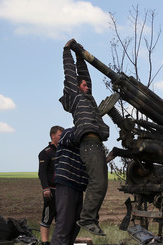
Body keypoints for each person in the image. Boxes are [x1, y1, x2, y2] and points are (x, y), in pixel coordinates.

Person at [59, 38, 109, 236]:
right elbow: (70, 73)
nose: (87, 87)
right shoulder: (75, 97)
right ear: (75, 87)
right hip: (88, 144)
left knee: (102, 185)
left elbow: (84, 75)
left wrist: (80, 54)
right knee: (98, 184)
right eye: (83, 85)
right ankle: (87, 219)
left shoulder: (87, 98)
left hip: (96, 145)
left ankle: (91, 219)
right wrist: (67, 51)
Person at [51, 127, 89, 245]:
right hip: (66, 184)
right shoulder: (68, 133)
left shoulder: (84, 145)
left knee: (74, 225)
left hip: (78, 187)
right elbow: (77, 137)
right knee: (64, 225)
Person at [38, 125, 64, 245]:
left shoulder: (63, 151)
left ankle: (58, 241)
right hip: (51, 191)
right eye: (60, 135)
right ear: (52, 136)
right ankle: (44, 242)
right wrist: (45, 188)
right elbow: (41, 173)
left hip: (63, 191)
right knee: (47, 217)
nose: (62, 137)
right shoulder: (45, 153)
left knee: (61, 219)